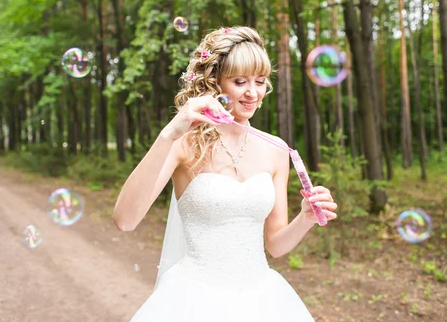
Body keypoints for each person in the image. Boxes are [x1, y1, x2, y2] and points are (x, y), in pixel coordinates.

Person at [113, 26, 338, 322]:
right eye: (240, 81)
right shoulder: (184, 144)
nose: (253, 92)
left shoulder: (277, 150)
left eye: (260, 81)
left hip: (261, 302)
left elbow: (275, 245)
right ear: (215, 83)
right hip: (193, 302)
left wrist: (306, 218)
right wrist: (168, 134)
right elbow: (125, 220)